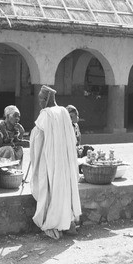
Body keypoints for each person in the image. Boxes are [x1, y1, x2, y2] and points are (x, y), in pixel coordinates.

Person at [30, 85, 82, 240]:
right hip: (64, 159)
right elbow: (72, 137)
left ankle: (55, 222)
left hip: (51, 158)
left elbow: (38, 137)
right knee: (65, 189)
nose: (39, 102)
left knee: (51, 190)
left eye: (40, 98)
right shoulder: (64, 112)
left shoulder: (46, 114)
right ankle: (69, 222)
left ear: (47, 99)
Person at [66, 105, 94, 173]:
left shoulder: (76, 125)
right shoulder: (66, 126)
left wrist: (79, 147)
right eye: (76, 115)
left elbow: (78, 138)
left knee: (88, 148)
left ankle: (83, 169)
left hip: (75, 147)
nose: (77, 117)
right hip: (68, 149)